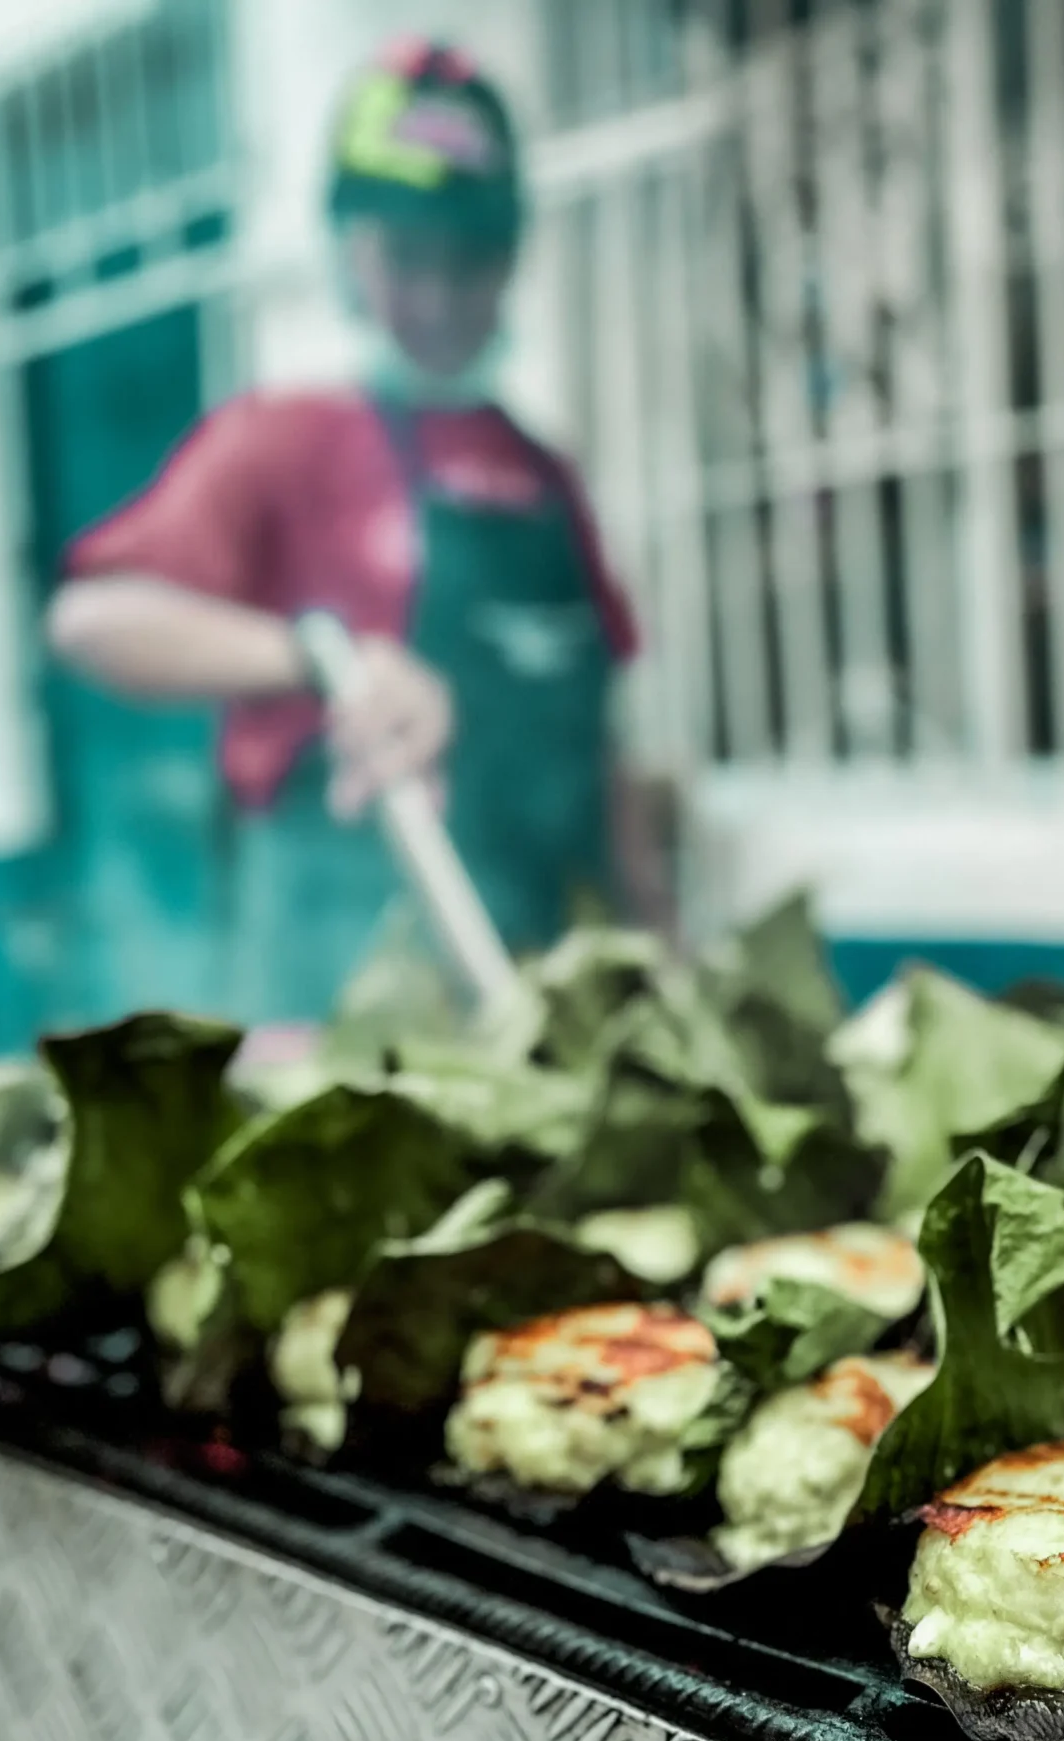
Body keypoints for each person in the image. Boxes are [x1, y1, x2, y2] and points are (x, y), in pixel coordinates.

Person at [48, 38, 666, 1025]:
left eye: (469, 261)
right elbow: (91, 618)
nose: (436, 296)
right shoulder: (279, 441)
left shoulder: (543, 469)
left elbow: (605, 751)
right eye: (404, 257)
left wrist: (659, 944)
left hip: (550, 978)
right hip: (333, 990)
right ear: (346, 252)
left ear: (509, 261)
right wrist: (318, 656)